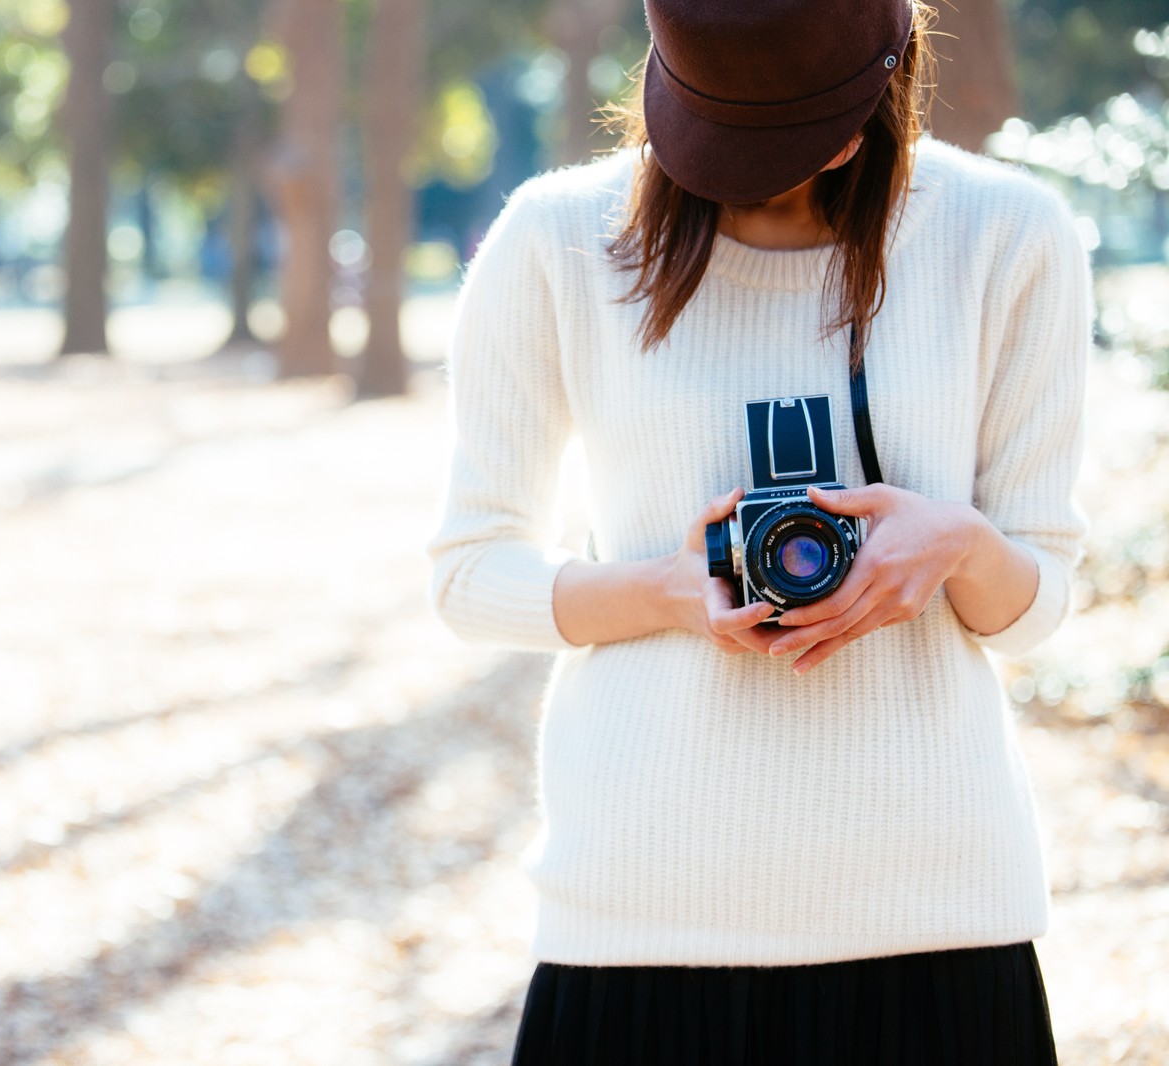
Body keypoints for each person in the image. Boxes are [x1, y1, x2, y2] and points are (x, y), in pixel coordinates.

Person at [424, 0, 1090, 1060]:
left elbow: (1035, 604)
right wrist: (670, 592)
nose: (745, 166)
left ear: (889, 67)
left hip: (936, 914)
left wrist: (954, 543)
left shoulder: (1005, 235)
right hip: (642, 918)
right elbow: (470, 574)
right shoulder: (557, 239)